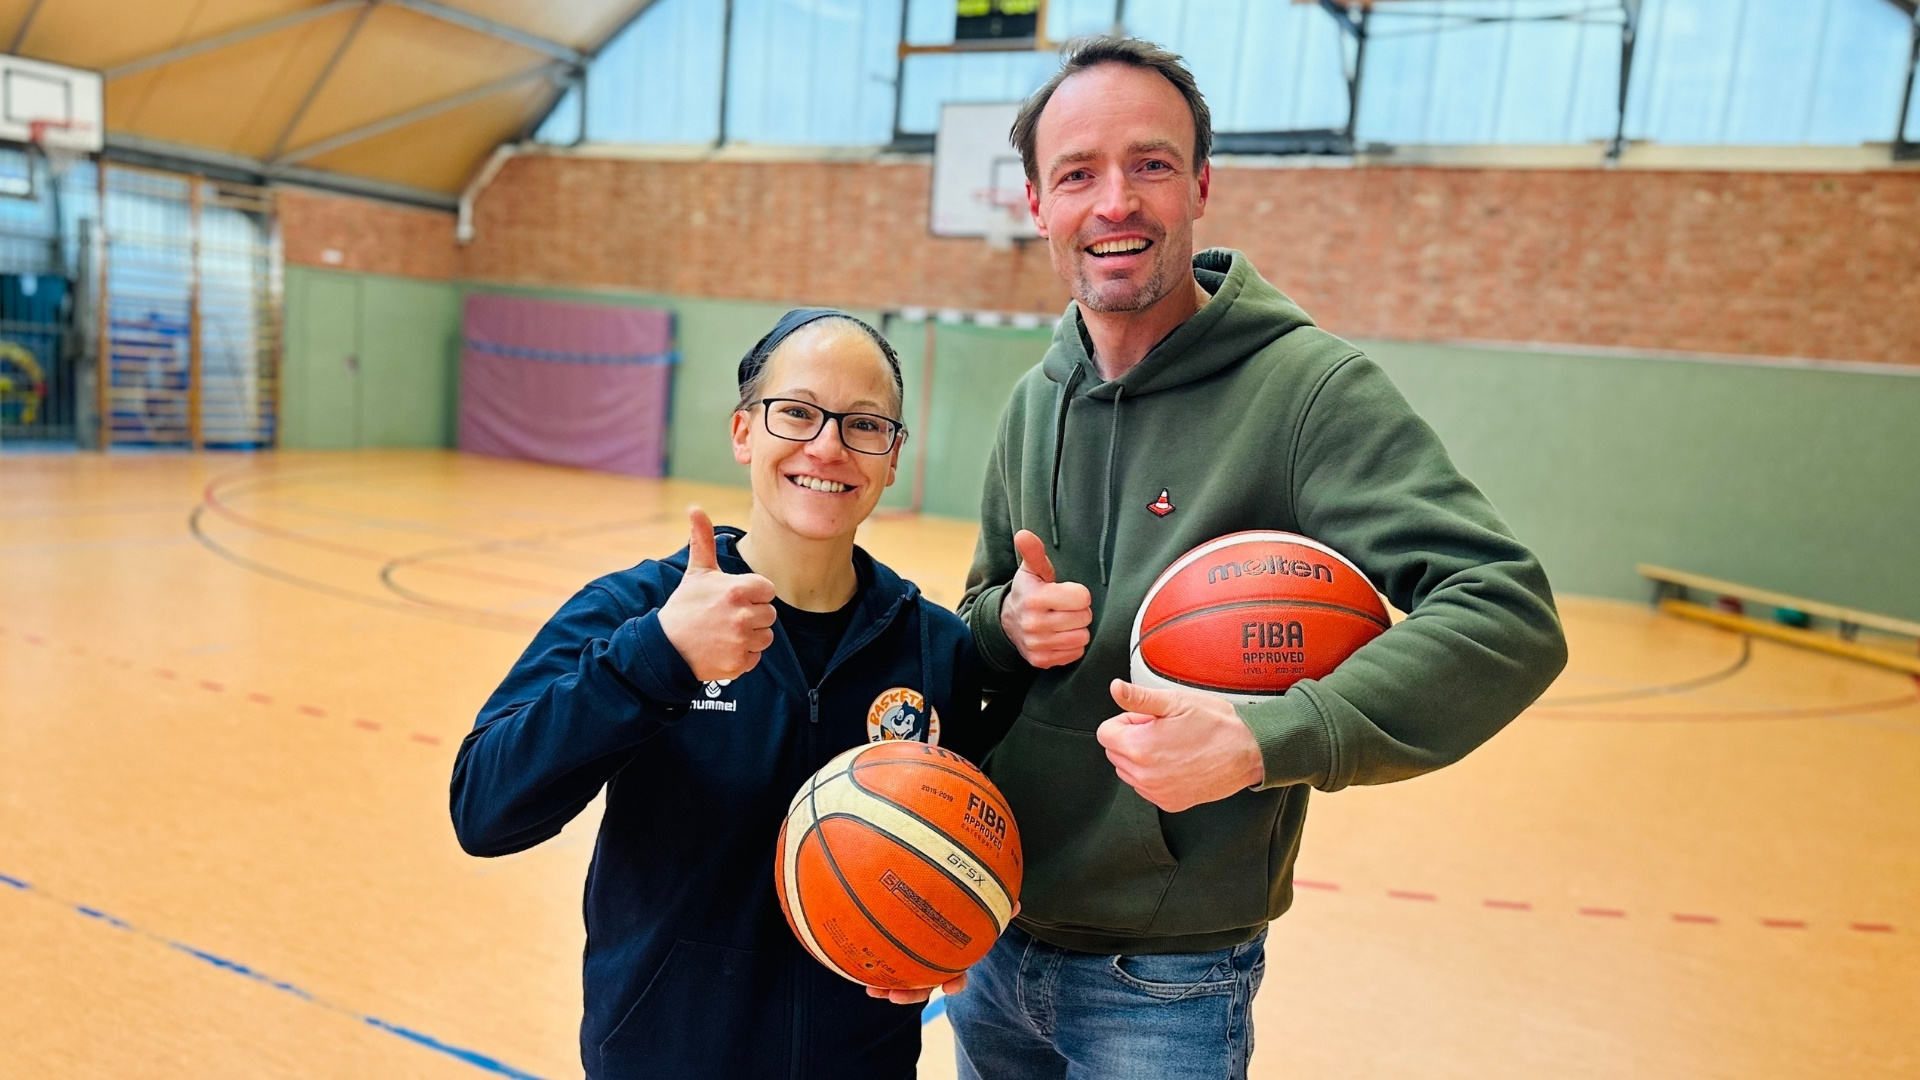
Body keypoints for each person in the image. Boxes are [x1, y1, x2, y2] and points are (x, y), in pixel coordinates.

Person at [948, 37, 1569, 1079]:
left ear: (1201, 185)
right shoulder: (1033, 399)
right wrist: (1003, 625)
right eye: (1078, 174)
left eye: (1150, 165)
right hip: (994, 927)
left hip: (1168, 975)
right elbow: (974, 620)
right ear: (1035, 203)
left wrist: (1266, 738)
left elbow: (1505, 612)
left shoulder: (1308, 392)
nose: (1115, 202)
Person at [450, 310, 1002, 1079]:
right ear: (744, 432)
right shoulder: (634, 614)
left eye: (864, 424)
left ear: (893, 455)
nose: (828, 446)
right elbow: (483, 809)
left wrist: (942, 939)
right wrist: (654, 662)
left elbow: (972, 847)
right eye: (798, 412)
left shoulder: (933, 647)